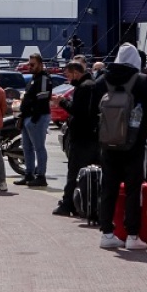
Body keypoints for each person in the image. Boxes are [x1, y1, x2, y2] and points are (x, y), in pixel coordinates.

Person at [90, 42, 147, 250]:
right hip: (134, 143)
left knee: (108, 188)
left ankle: (107, 233)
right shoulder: (141, 81)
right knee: (132, 188)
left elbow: (92, 111)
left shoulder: (101, 81)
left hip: (108, 144)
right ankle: (132, 235)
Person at [53, 61, 100, 215]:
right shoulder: (93, 85)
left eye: (68, 75)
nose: (68, 79)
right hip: (92, 136)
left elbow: (77, 111)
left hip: (81, 137)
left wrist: (62, 102)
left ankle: (68, 204)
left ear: (76, 73)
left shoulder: (84, 87)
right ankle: (87, 203)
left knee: (74, 172)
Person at [14, 53, 53, 187]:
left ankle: (41, 176)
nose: (30, 67)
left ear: (41, 65)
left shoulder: (43, 79)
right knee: (27, 147)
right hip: (28, 117)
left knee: (39, 147)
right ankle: (29, 174)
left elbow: (42, 99)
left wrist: (34, 119)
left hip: (37, 117)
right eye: (29, 64)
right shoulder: (33, 78)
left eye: (32, 64)